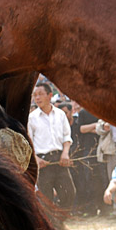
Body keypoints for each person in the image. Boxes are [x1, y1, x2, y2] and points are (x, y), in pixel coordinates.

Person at [27, 83, 75, 215]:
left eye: (40, 94)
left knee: (69, 192)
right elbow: (28, 142)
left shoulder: (60, 114)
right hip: (43, 161)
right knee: (45, 197)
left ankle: (60, 220)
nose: (37, 98)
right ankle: (52, 227)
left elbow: (67, 136)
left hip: (60, 159)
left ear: (49, 95)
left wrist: (65, 154)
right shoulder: (31, 118)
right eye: (35, 95)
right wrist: (36, 159)